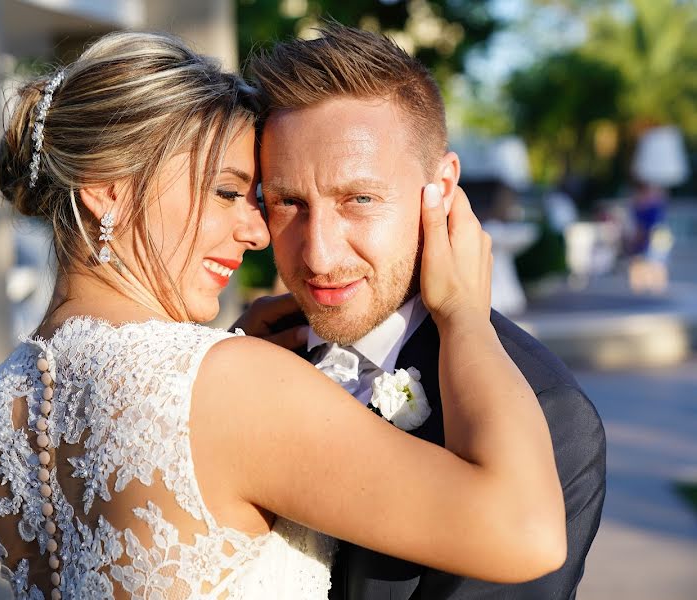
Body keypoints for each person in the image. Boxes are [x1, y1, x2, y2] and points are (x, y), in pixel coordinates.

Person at [0, 30, 566, 599]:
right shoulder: (225, 386)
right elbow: (527, 532)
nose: (256, 232)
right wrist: (464, 315)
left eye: (257, 201)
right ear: (107, 189)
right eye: (228, 193)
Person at [236, 22, 606, 600]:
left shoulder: (546, 416)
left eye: (358, 199)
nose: (318, 253)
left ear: (441, 187)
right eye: (288, 202)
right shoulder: (246, 358)